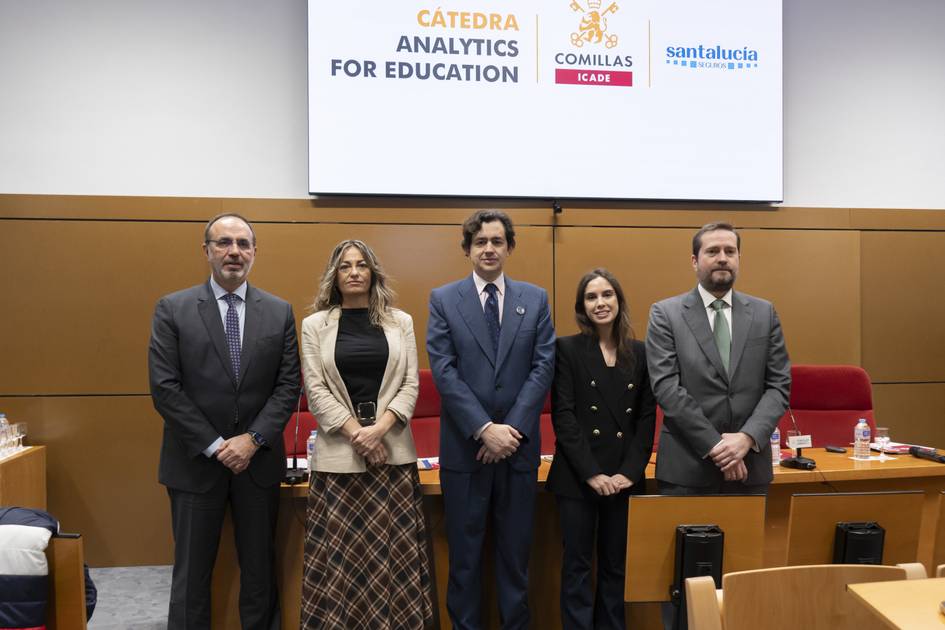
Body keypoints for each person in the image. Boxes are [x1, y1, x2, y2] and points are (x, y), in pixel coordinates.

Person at [149, 213, 300, 629]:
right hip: (195, 464)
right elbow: (165, 388)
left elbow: (288, 387)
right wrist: (218, 445)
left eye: (243, 244)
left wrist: (251, 440)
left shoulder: (279, 311)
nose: (234, 251)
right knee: (191, 577)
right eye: (224, 243)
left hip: (258, 463)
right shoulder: (173, 309)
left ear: (254, 252)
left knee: (260, 573)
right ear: (207, 251)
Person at [426, 209, 555, 630]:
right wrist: (484, 429)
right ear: (467, 249)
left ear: (509, 247)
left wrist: (510, 432)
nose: (488, 249)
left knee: (515, 561)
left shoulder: (534, 299)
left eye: (497, 241)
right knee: (464, 563)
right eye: (480, 242)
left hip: (517, 453)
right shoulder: (444, 299)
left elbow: (543, 367)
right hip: (467, 453)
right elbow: (444, 372)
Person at [299, 239, 433, 629]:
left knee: (393, 562)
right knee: (340, 564)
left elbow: (410, 384)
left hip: (392, 455)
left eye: (361, 265)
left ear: (373, 273)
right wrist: (360, 434)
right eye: (345, 266)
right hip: (339, 459)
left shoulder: (400, 321)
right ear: (334, 276)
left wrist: (380, 431)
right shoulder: (314, 325)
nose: (354, 272)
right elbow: (316, 389)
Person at [646, 222, 791, 495]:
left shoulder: (764, 313)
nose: (722, 258)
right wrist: (718, 447)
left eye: (730, 251)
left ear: (739, 259)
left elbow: (778, 385)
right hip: (688, 468)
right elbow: (666, 388)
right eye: (712, 251)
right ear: (694, 260)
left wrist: (746, 439)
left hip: (750, 467)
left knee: (747, 540)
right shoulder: (666, 314)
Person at [547, 268, 656, 630]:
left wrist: (629, 472)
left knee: (615, 565)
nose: (600, 303)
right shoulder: (566, 348)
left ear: (619, 300)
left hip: (624, 478)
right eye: (591, 297)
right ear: (582, 307)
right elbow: (564, 416)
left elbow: (645, 419)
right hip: (579, 477)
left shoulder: (640, 353)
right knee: (577, 564)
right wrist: (592, 473)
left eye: (607, 294)